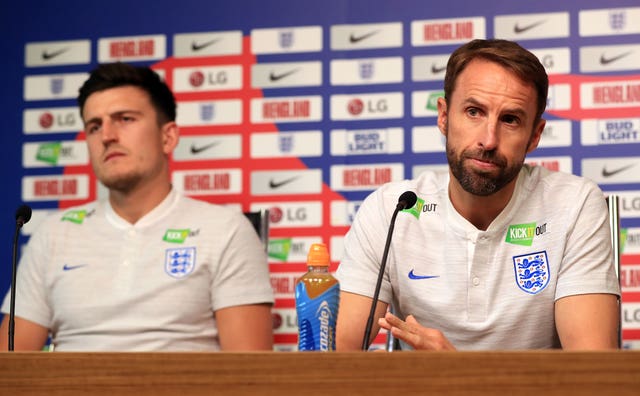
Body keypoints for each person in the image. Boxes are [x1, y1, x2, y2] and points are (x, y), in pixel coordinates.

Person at [335, 39, 620, 351]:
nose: (488, 139)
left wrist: (460, 374)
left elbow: (591, 372)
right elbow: (340, 357)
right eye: (474, 111)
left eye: (510, 119)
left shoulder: (573, 205)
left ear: (535, 135)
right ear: (443, 116)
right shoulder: (392, 209)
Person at [0, 63, 274, 351]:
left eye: (125, 119)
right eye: (94, 126)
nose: (107, 136)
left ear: (168, 137)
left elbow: (249, 376)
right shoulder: (54, 234)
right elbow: (10, 369)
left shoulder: (224, 230)